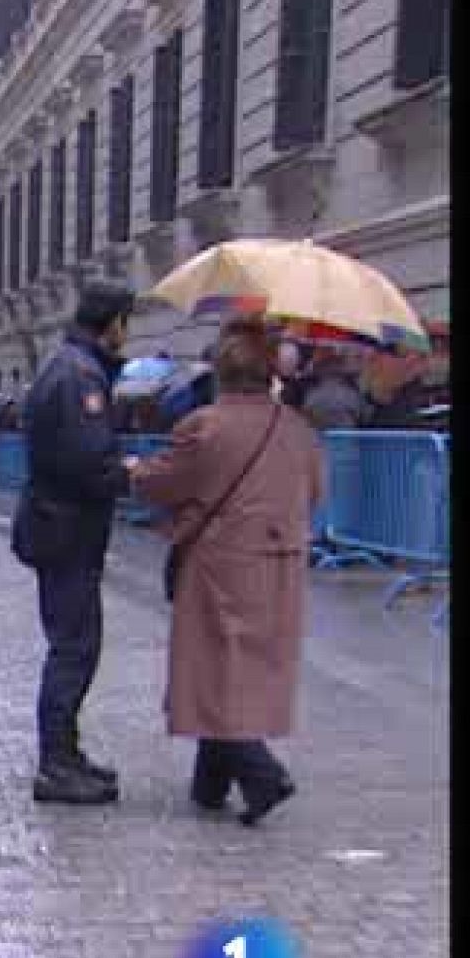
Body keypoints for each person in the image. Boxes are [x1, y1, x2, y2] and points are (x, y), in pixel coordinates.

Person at [126, 317, 323, 825]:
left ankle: (260, 773)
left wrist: (132, 469)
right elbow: (316, 493)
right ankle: (210, 782)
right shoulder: (296, 428)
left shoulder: (205, 425)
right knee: (243, 670)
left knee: (212, 669)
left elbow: (163, 482)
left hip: (220, 563)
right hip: (280, 564)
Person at [10, 279, 135, 806]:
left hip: (59, 526)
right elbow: (86, 463)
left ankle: (66, 754)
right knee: (74, 648)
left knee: (75, 644)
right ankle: (57, 764)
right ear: (112, 324)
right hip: (67, 530)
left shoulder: (69, 367)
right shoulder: (77, 376)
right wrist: (124, 472)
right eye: (126, 323)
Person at [300, 351, 371, 430]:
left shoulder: (312, 395)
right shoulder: (352, 395)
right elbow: (366, 416)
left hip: (319, 437)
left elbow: (304, 418)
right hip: (345, 436)